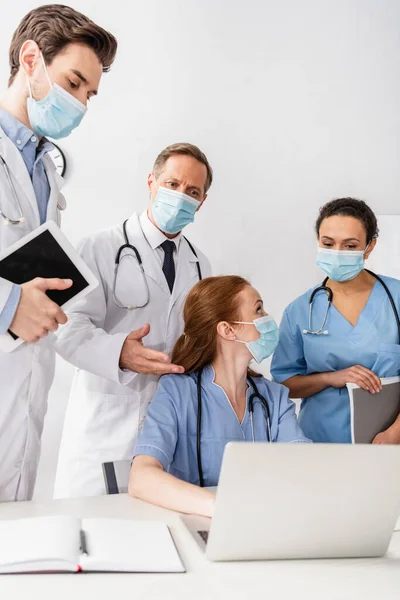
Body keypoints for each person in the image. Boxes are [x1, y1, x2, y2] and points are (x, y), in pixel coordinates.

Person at [0, 5, 117, 501]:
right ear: (31, 60)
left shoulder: (48, 169)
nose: (81, 105)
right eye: (73, 83)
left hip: (23, 388)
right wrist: (9, 305)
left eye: (89, 94)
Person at [53, 142, 213, 498]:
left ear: (202, 202)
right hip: (104, 424)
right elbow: (66, 326)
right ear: (151, 182)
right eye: (172, 185)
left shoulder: (201, 266)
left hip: (166, 430)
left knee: (153, 538)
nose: (181, 196)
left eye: (192, 192)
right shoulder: (99, 247)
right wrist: (118, 353)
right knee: (90, 535)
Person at [129, 276, 310, 517]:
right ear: (227, 329)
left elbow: (302, 465)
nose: (267, 317)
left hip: (263, 522)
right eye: (258, 309)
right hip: (198, 523)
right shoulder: (177, 392)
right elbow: (141, 477)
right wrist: (221, 509)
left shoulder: (273, 397)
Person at [271, 197, 400, 444]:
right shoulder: (300, 310)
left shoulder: (396, 299)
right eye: (328, 243)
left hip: (386, 439)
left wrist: (395, 433)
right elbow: (285, 384)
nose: (337, 253)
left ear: (369, 246)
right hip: (319, 439)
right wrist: (331, 378)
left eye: (350, 246)